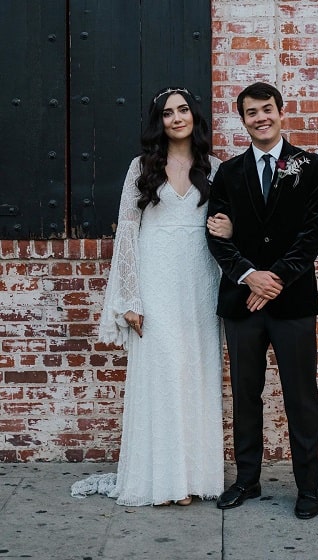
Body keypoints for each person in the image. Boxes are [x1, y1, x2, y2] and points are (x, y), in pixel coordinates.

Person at [71, 87, 232, 506]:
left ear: (194, 115)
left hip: (199, 281)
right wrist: (131, 297)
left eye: (182, 110)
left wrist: (230, 231)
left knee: (197, 374)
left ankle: (193, 480)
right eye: (167, 112)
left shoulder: (215, 168)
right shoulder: (141, 167)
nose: (176, 118)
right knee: (161, 376)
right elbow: (127, 232)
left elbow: (230, 224)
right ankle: (162, 481)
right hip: (155, 278)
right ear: (157, 121)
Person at [206, 82, 318, 519]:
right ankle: (247, 480)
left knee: (301, 396)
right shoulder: (228, 173)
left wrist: (273, 280)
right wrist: (248, 276)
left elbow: (312, 234)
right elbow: (216, 234)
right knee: (245, 394)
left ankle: (309, 488)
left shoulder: (309, 166)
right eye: (250, 112)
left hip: (292, 303)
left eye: (266, 110)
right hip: (242, 304)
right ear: (242, 120)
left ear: (281, 112)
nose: (259, 118)